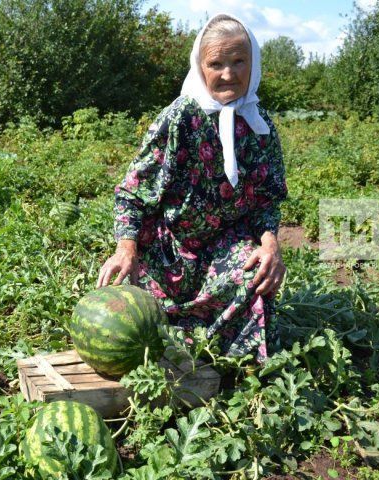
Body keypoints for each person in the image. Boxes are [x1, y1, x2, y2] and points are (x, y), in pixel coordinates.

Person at [96, 13, 288, 364]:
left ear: (253, 62)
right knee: (132, 321)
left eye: (238, 61)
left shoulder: (260, 126)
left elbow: (266, 200)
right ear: (201, 67)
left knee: (255, 276)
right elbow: (132, 191)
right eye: (216, 63)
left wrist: (270, 244)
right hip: (167, 249)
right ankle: (171, 337)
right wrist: (126, 249)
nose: (228, 73)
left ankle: (225, 364)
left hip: (221, 248)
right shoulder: (181, 117)